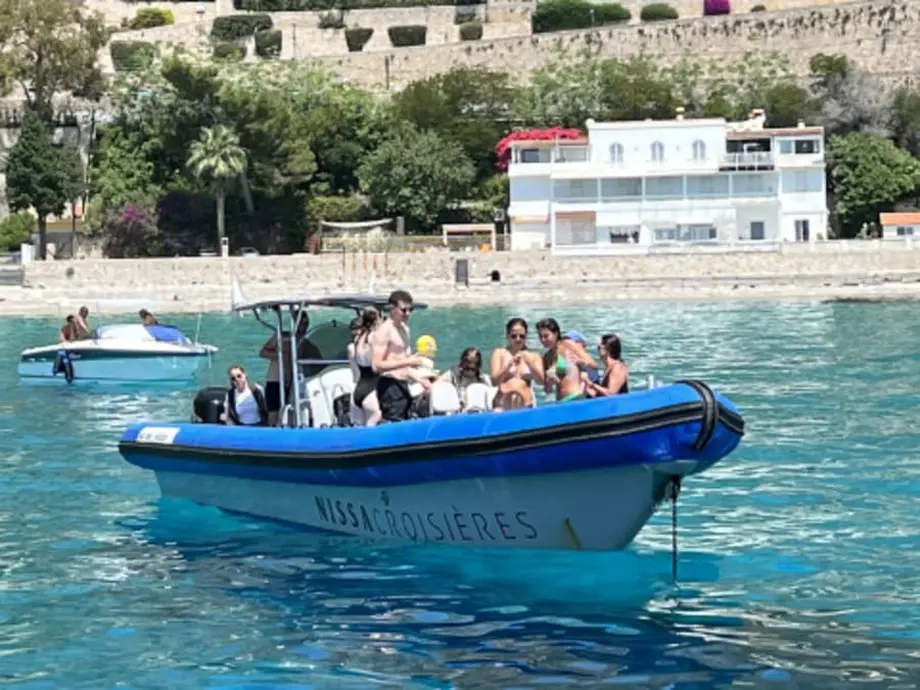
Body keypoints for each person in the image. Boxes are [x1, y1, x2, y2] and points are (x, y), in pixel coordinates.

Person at [372, 289, 431, 422]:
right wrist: (408, 361)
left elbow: (402, 363)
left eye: (410, 310)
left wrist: (420, 380)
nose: (407, 314)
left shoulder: (405, 330)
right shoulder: (384, 331)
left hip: (403, 384)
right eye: (403, 310)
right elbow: (377, 365)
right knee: (394, 422)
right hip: (389, 385)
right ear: (392, 309)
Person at [537, 317, 598, 402]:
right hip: (560, 401)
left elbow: (594, 365)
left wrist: (580, 361)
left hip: (575, 397)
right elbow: (548, 390)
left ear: (556, 333)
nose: (543, 340)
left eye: (546, 336)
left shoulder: (568, 344)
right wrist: (550, 382)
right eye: (540, 337)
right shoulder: (546, 357)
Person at [489, 317, 545, 410]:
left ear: (526, 336)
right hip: (502, 405)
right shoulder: (499, 353)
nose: (518, 339)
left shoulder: (534, 356)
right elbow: (494, 382)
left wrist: (530, 364)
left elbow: (541, 381)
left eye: (522, 336)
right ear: (507, 336)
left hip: (526, 405)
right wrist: (508, 366)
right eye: (514, 336)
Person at [349, 308, 382, 426]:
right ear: (376, 321)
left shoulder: (357, 339)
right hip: (372, 387)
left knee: (358, 428)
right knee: (375, 419)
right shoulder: (374, 338)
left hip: (358, 387)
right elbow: (377, 365)